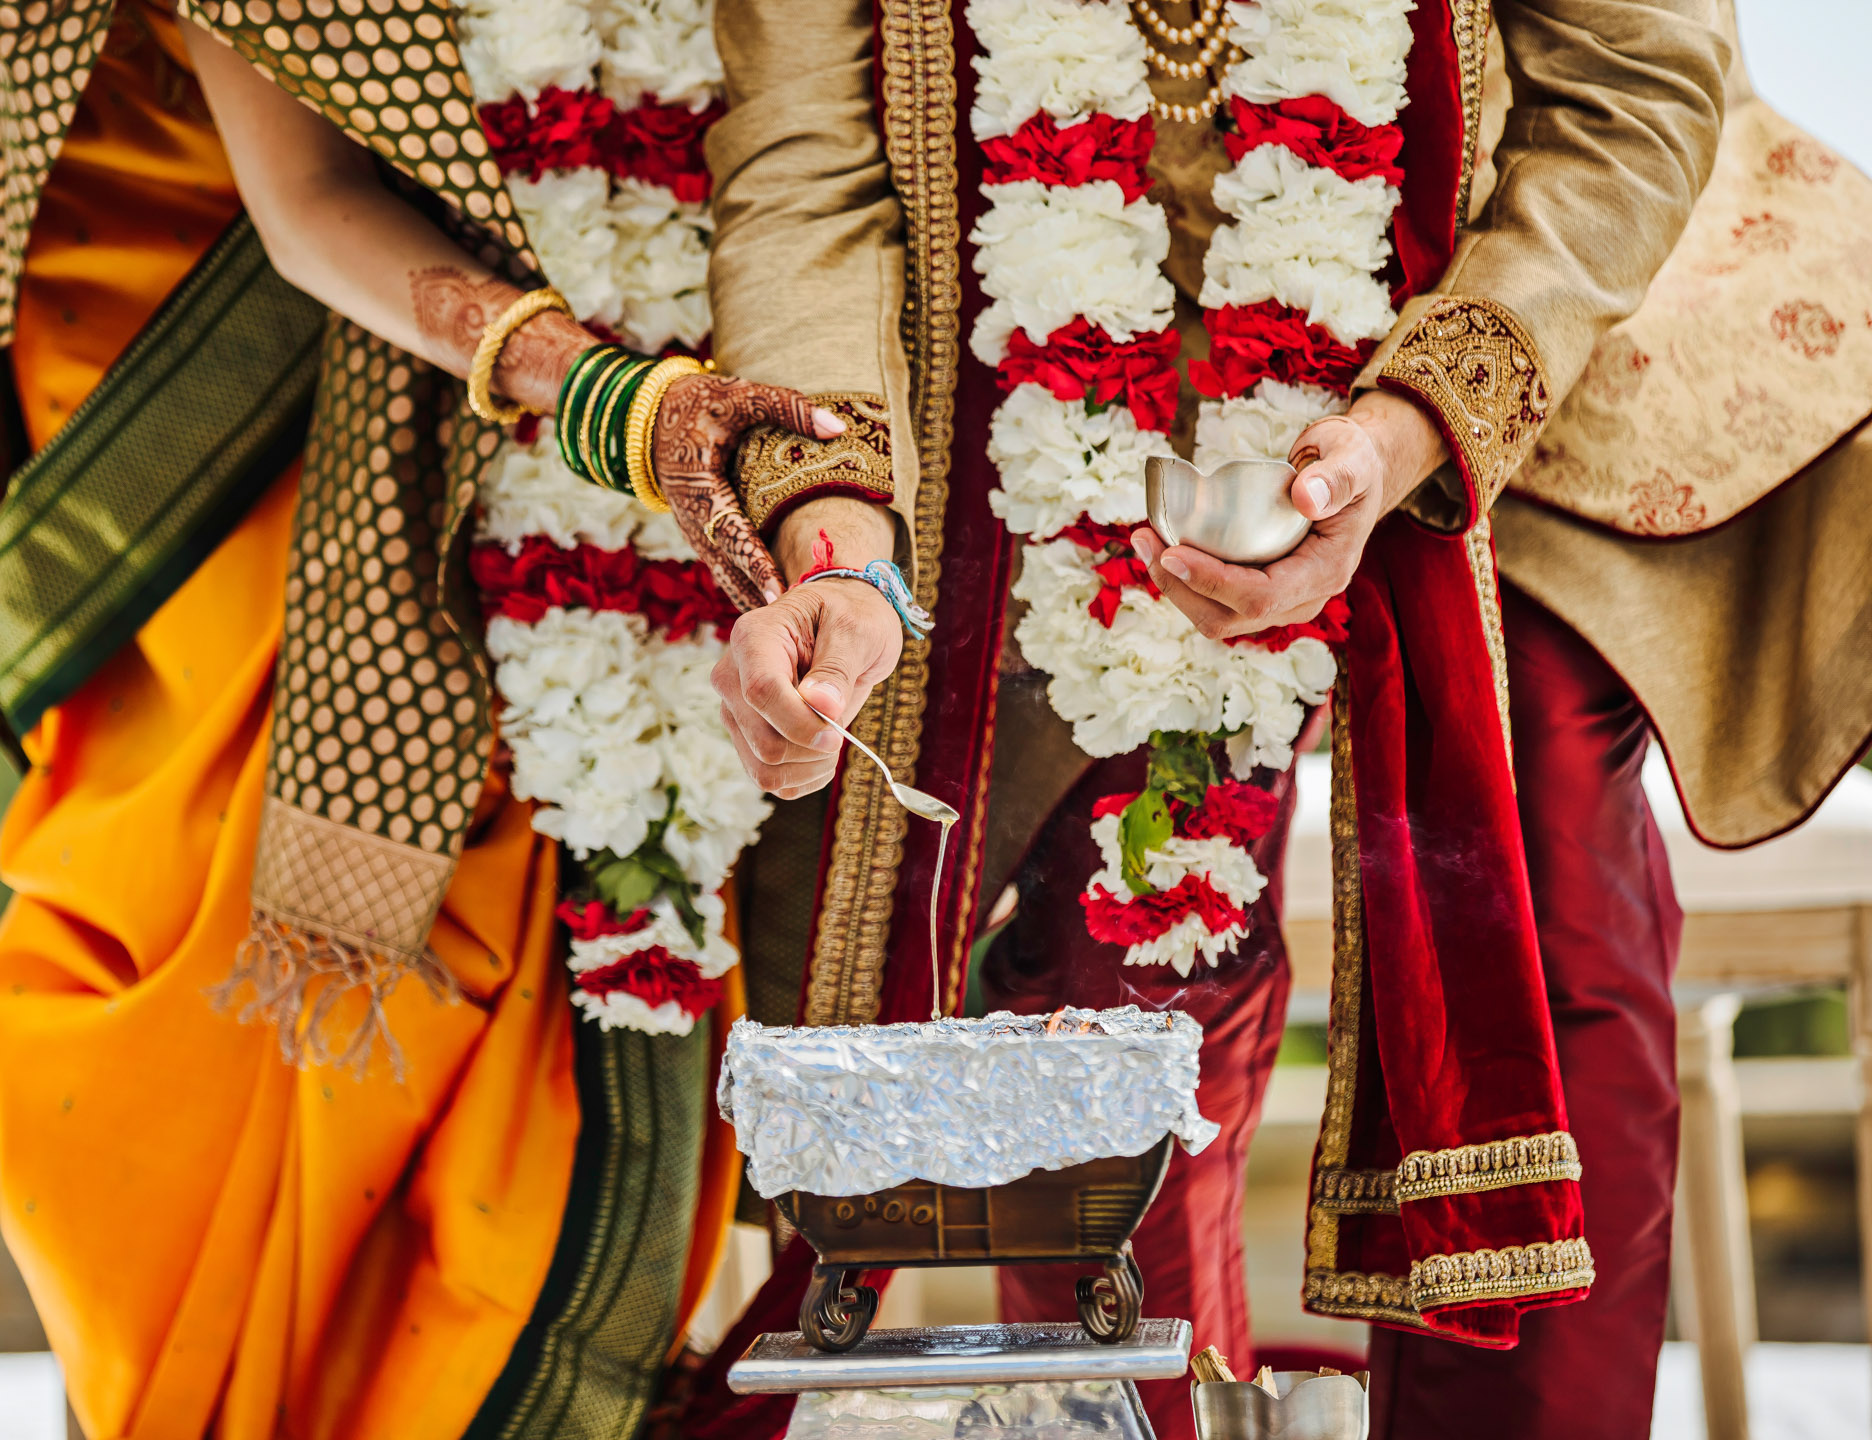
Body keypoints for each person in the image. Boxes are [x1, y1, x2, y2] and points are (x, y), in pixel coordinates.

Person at [692, 0, 1871, 1436]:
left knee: (1532, 914)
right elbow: (807, 158)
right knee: (1107, 972)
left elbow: (1627, 86)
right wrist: (835, 544)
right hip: (1038, 355)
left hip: (1525, 294)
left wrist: (1403, 434)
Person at [0, 2, 874, 1436]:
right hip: (255, 471)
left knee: (553, 1058)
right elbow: (302, 199)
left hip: (589, 561)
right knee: (212, 1090)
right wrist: (615, 401)